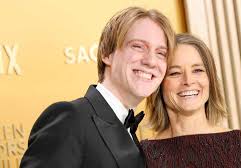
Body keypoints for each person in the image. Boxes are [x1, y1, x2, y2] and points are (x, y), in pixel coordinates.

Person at [20, 7, 175, 168]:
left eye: (161, 53)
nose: (151, 61)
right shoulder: (70, 119)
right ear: (107, 54)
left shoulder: (128, 129)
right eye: (138, 46)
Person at [141, 33, 241, 168]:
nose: (188, 81)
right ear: (159, 84)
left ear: (210, 79)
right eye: (175, 73)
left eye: (198, 70)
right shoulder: (141, 156)